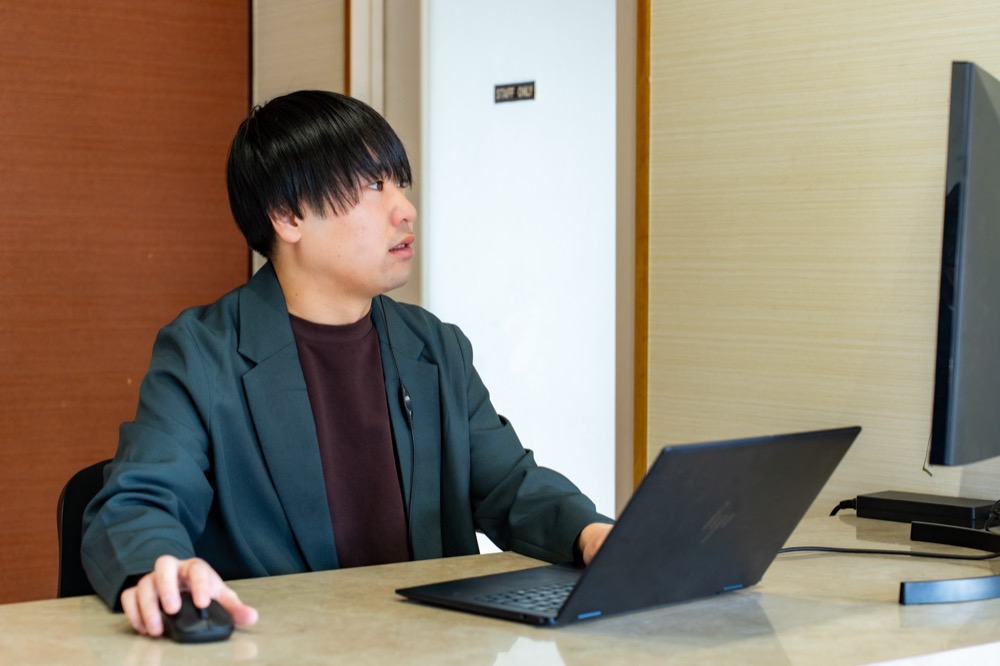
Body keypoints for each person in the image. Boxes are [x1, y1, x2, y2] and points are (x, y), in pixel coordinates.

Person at [81, 90, 614, 638]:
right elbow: (140, 502)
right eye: (374, 186)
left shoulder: (436, 346)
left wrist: (592, 533)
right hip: (282, 647)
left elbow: (510, 486)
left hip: (432, 646)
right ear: (288, 215)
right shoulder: (203, 353)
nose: (405, 209)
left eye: (399, 183)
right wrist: (160, 569)